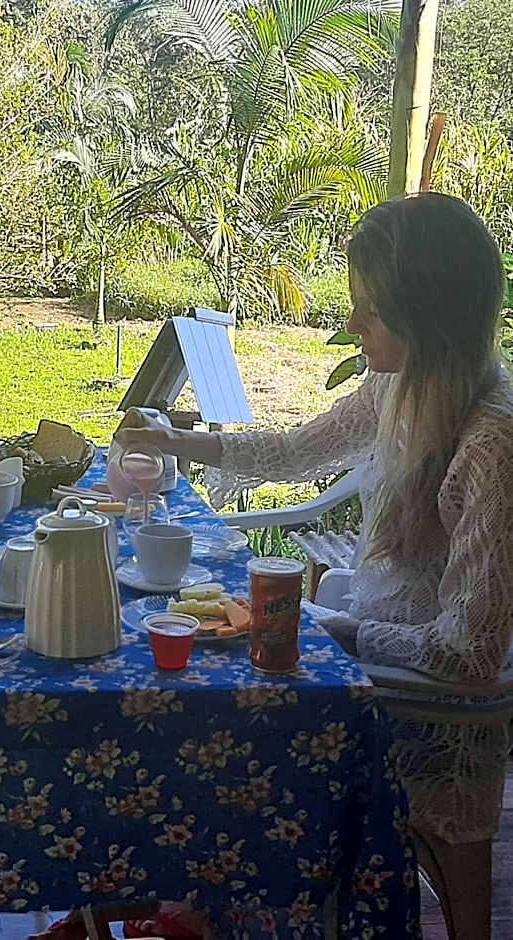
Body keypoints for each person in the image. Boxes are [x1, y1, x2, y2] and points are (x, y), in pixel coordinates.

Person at [116, 193, 513, 856]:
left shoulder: (492, 444)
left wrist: (327, 626)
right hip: (378, 648)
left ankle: (227, 890)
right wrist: (175, 441)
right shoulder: (401, 384)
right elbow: (299, 451)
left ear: (429, 319)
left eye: (374, 310)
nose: (353, 322)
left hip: (434, 709)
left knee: (210, 705)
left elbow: (466, 654)